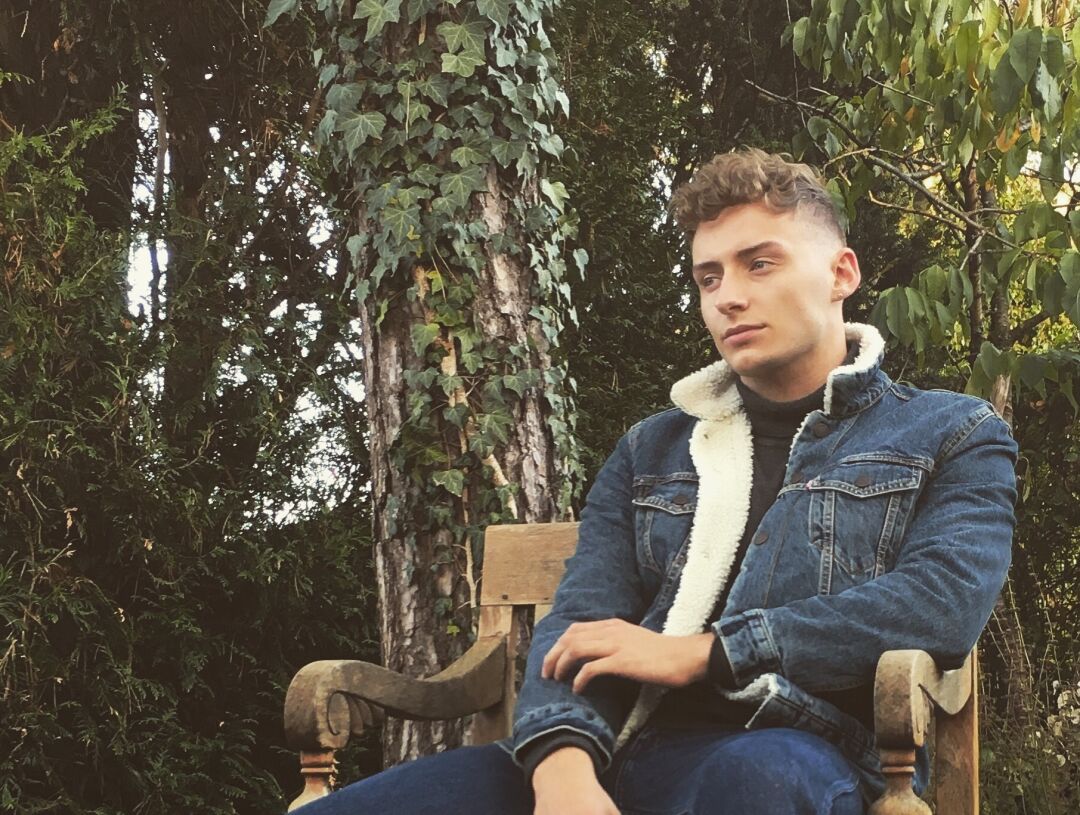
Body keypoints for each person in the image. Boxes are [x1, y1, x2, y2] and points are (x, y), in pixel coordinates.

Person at [292, 148, 1018, 815]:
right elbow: (580, 622)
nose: (728, 296)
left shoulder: (950, 432)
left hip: (804, 750)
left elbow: (940, 603)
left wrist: (707, 652)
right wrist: (563, 771)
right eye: (709, 277)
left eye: (759, 264)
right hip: (617, 748)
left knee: (754, 779)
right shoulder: (653, 447)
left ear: (842, 274)